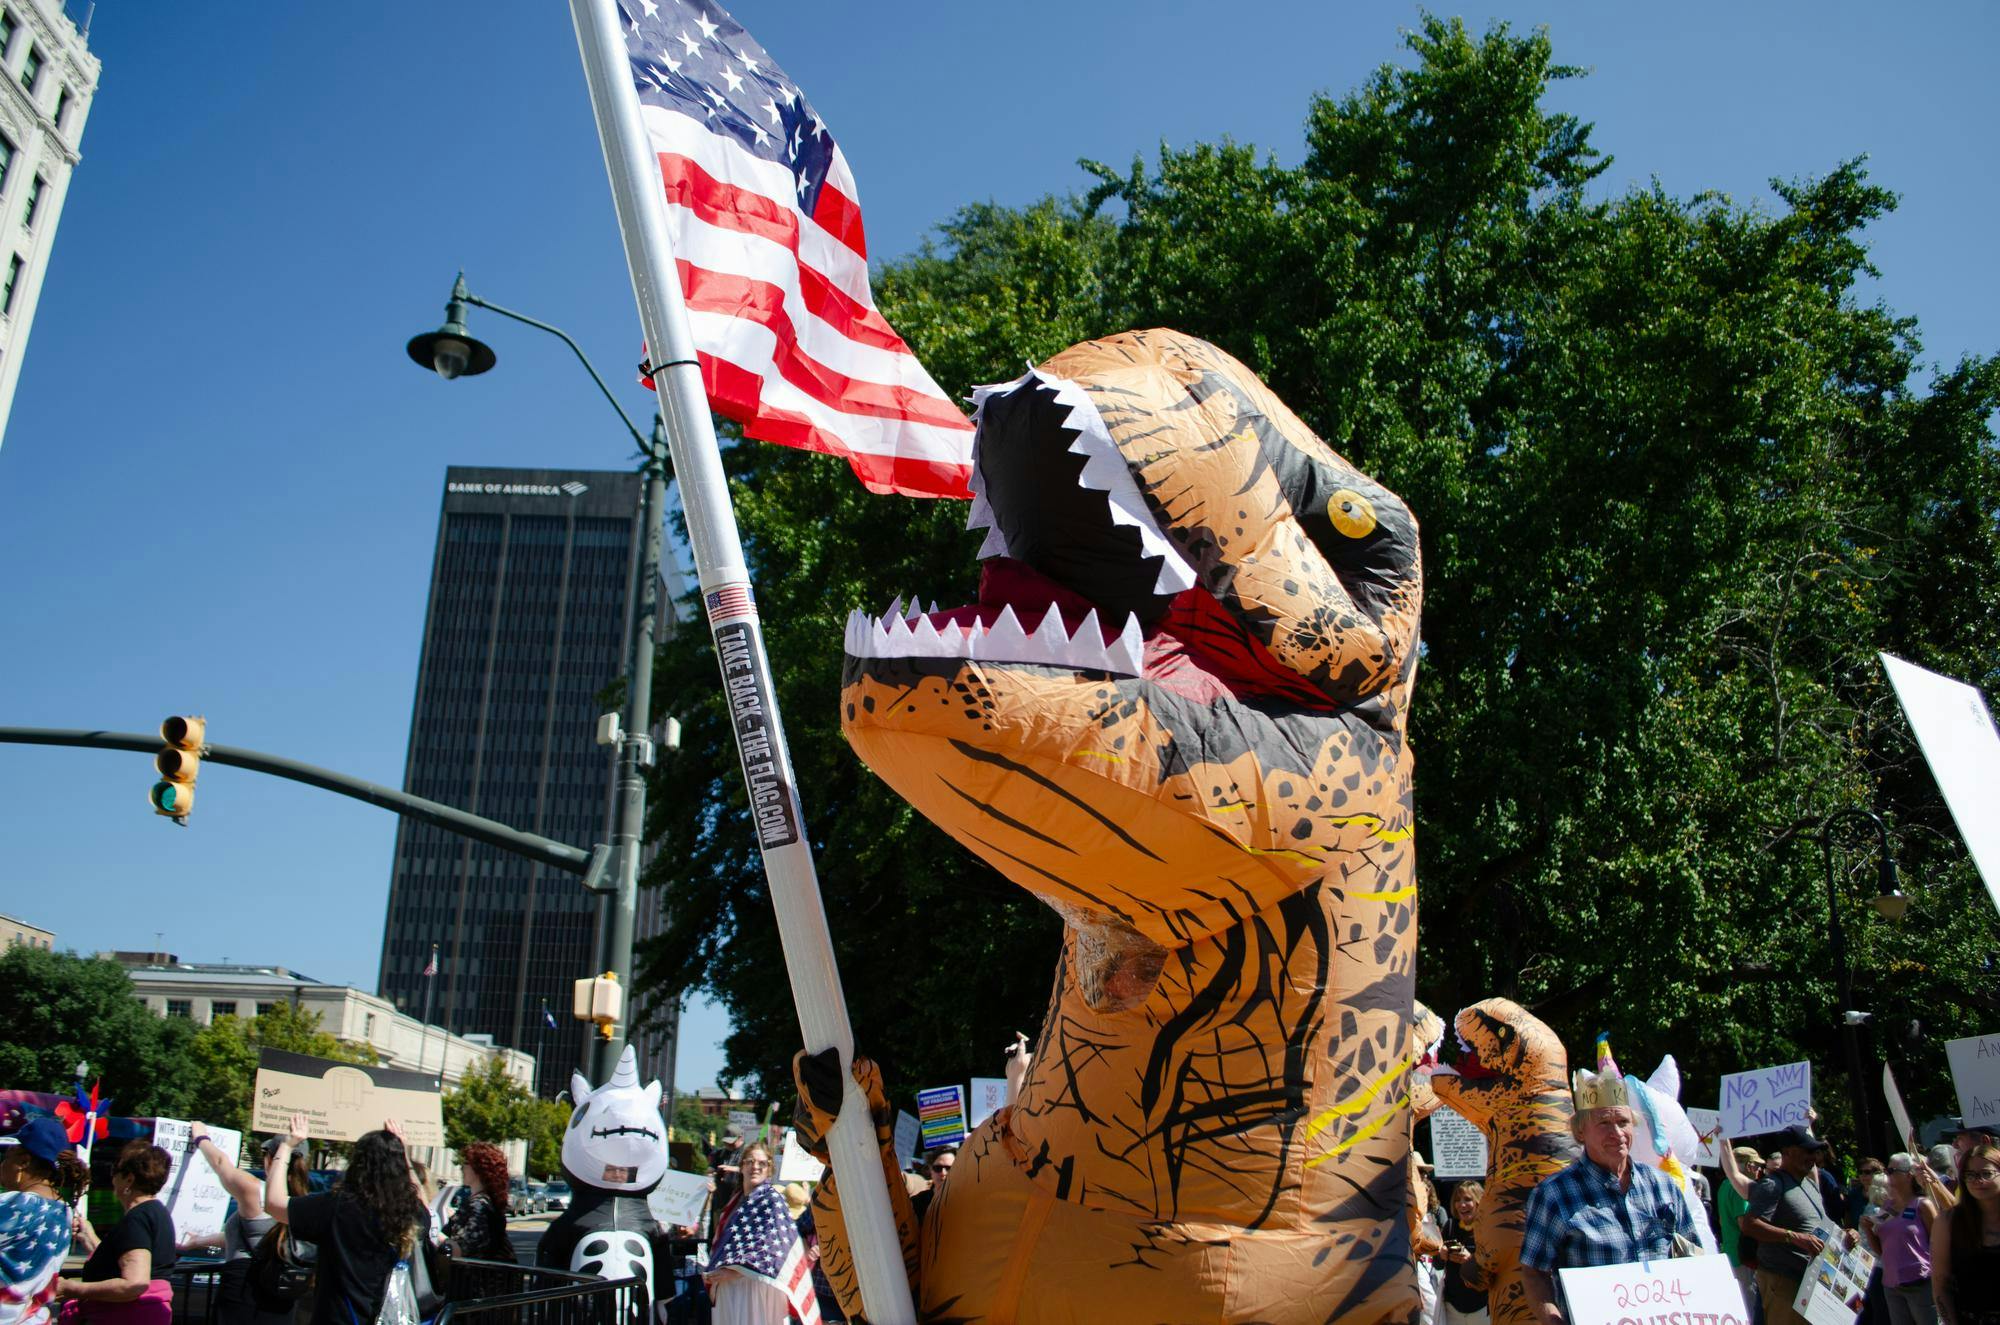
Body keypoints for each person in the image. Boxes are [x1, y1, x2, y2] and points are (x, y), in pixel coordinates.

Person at [1520, 1040, 1696, 1325]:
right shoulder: (1553, 1195)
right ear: (1580, 1132)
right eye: (1604, 1123)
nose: (1617, 1133)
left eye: (1623, 1122)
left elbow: (1693, 1259)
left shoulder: (1664, 1188)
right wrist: (1552, 1319)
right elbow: (1533, 1272)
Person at [263, 1115, 433, 1325]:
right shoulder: (408, 1212)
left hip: (337, 1317)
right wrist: (403, 1155)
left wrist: (287, 1147)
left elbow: (273, 1203)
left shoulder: (337, 1206)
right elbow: (425, 1207)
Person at [181, 1126, 309, 1325]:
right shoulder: (303, 1203)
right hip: (281, 1299)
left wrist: (201, 1138)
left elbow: (220, 1163)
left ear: (270, 1159)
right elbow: (255, 1235)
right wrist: (198, 1241)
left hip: (244, 1294)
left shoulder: (254, 1190)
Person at [55, 1140, 176, 1324]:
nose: (112, 1180)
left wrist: (71, 1288)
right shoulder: (157, 1212)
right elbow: (122, 1258)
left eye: (115, 1173)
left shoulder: (137, 1219)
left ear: (129, 1179)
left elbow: (134, 1283)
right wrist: (88, 1235)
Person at [1742, 1123, 1849, 1325]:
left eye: (1815, 1151)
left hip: (1809, 1282)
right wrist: (1794, 1237)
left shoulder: (1808, 1184)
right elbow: (1750, 1225)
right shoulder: (1772, 1184)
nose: (1813, 1157)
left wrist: (1845, 1235)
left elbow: (1819, 1226)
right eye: (1807, 1151)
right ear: (1788, 1152)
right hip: (1783, 1281)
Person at [0, 1118, 89, 1325]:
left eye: (6, 1157)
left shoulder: (13, 1204)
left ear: (23, 1162)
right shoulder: (65, 1211)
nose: (2, 1165)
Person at [703, 1144, 783, 1325]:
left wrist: (735, 1274)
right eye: (750, 1162)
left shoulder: (772, 1200)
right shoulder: (735, 1199)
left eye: (762, 1163)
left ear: (769, 1168)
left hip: (755, 1287)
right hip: (728, 1287)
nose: (755, 1167)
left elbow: (773, 1249)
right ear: (742, 1167)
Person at [1931, 1139, 2000, 1325]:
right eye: (1970, 1174)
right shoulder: (1948, 1222)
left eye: (1987, 1173)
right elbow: (1940, 1283)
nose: (1978, 1181)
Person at [1862, 1155, 1936, 1325]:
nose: (1887, 1174)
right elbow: (1881, 1250)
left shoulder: (1922, 1205)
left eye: (1891, 1170)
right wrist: (1868, 1229)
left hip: (1920, 1281)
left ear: (1908, 1175)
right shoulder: (1888, 1206)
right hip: (1892, 1284)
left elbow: (1939, 1243)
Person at [440, 1144, 512, 1262]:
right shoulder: (485, 1202)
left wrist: (435, 1235)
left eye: (466, 1163)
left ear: (479, 1170)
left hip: (474, 1277)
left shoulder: (479, 1206)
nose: (462, 1167)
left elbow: (459, 1250)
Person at [1717, 1143, 1765, 1319]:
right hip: (1743, 1259)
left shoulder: (1724, 1185)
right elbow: (1745, 1224)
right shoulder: (1739, 1190)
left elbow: (1722, 1220)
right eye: (1757, 1165)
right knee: (1750, 1310)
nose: (1759, 1170)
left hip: (1730, 1253)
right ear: (1748, 1165)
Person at [1437, 1181, 1489, 1325]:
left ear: (1479, 1201)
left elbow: (1494, 1268)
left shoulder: (1488, 1229)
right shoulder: (1450, 1226)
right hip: (1453, 1306)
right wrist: (1441, 1255)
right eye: (1458, 1200)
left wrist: (1470, 1259)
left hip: (1482, 1307)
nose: (1461, 1205)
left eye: (1467, 1199)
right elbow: (1437, 1265)